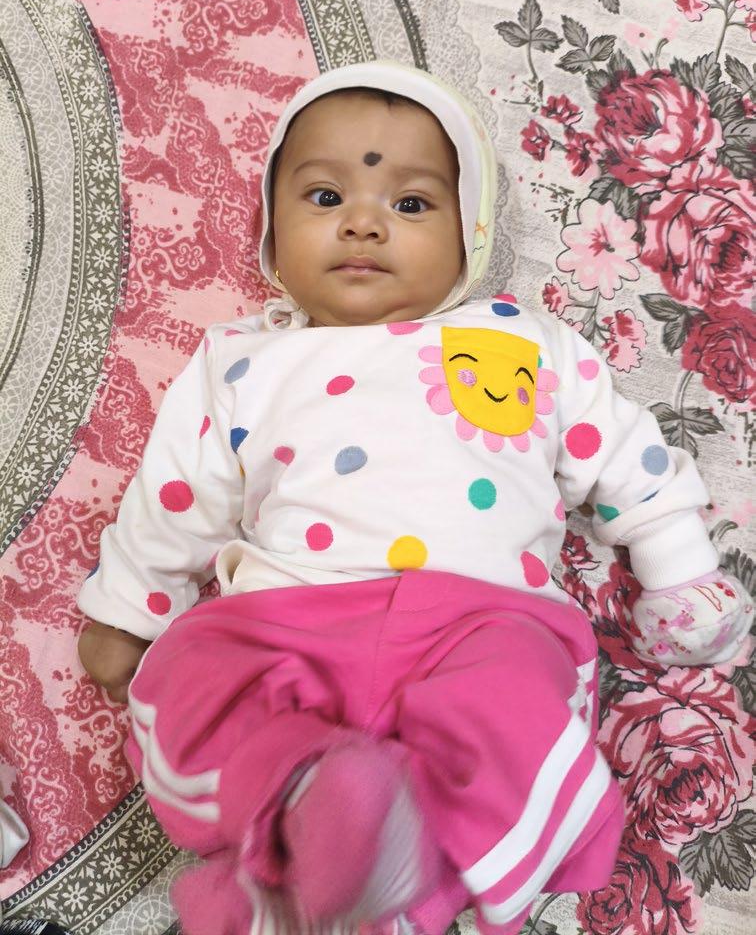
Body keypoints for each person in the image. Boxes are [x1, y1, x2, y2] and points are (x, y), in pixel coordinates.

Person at [77, 61, 752, 935]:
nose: (362, 222)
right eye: (325, 197)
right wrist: (133, 607)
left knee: (516, 715)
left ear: (469, 232)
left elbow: (628, 457)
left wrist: (679, 569)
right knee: (190, 680)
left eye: (410, 203)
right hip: (286, 617)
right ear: (271, 229)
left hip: (483, 620)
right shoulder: (242, 360)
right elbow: (176, 494)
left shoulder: (525, 342)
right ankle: (308, 811)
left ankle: (391, 880)